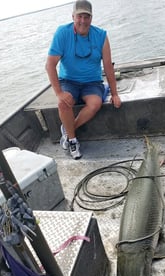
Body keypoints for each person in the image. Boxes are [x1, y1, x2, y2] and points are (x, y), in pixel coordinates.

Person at [45, 0, 121, 159]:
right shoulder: (62, 33)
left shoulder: (101, 35)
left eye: (87, 17)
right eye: (79, 16)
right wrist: (59, 93)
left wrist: (114, 94)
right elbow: (50, 65)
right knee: (63, 103)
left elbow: (108, 66)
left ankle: (67, 130)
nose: (83, 21)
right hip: (69, 81)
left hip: (92, 82)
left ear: (91, 18)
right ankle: (72, 140)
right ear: (73, 16)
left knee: (95, 104)